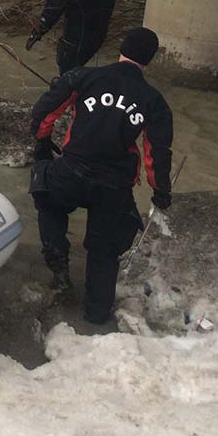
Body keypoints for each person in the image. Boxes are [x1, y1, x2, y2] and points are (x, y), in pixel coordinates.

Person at [29, 27, 173, 325]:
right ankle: (96, 315)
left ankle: (58, 265)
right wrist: (161, 190)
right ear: (149, 60)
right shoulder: (153, 100)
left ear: (121, 48)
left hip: (71, 171)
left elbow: (44, 112)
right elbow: (156, 152)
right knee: (104, 249)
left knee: (47, 194)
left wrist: (42, 141)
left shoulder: (84, 77)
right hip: (114, 184)